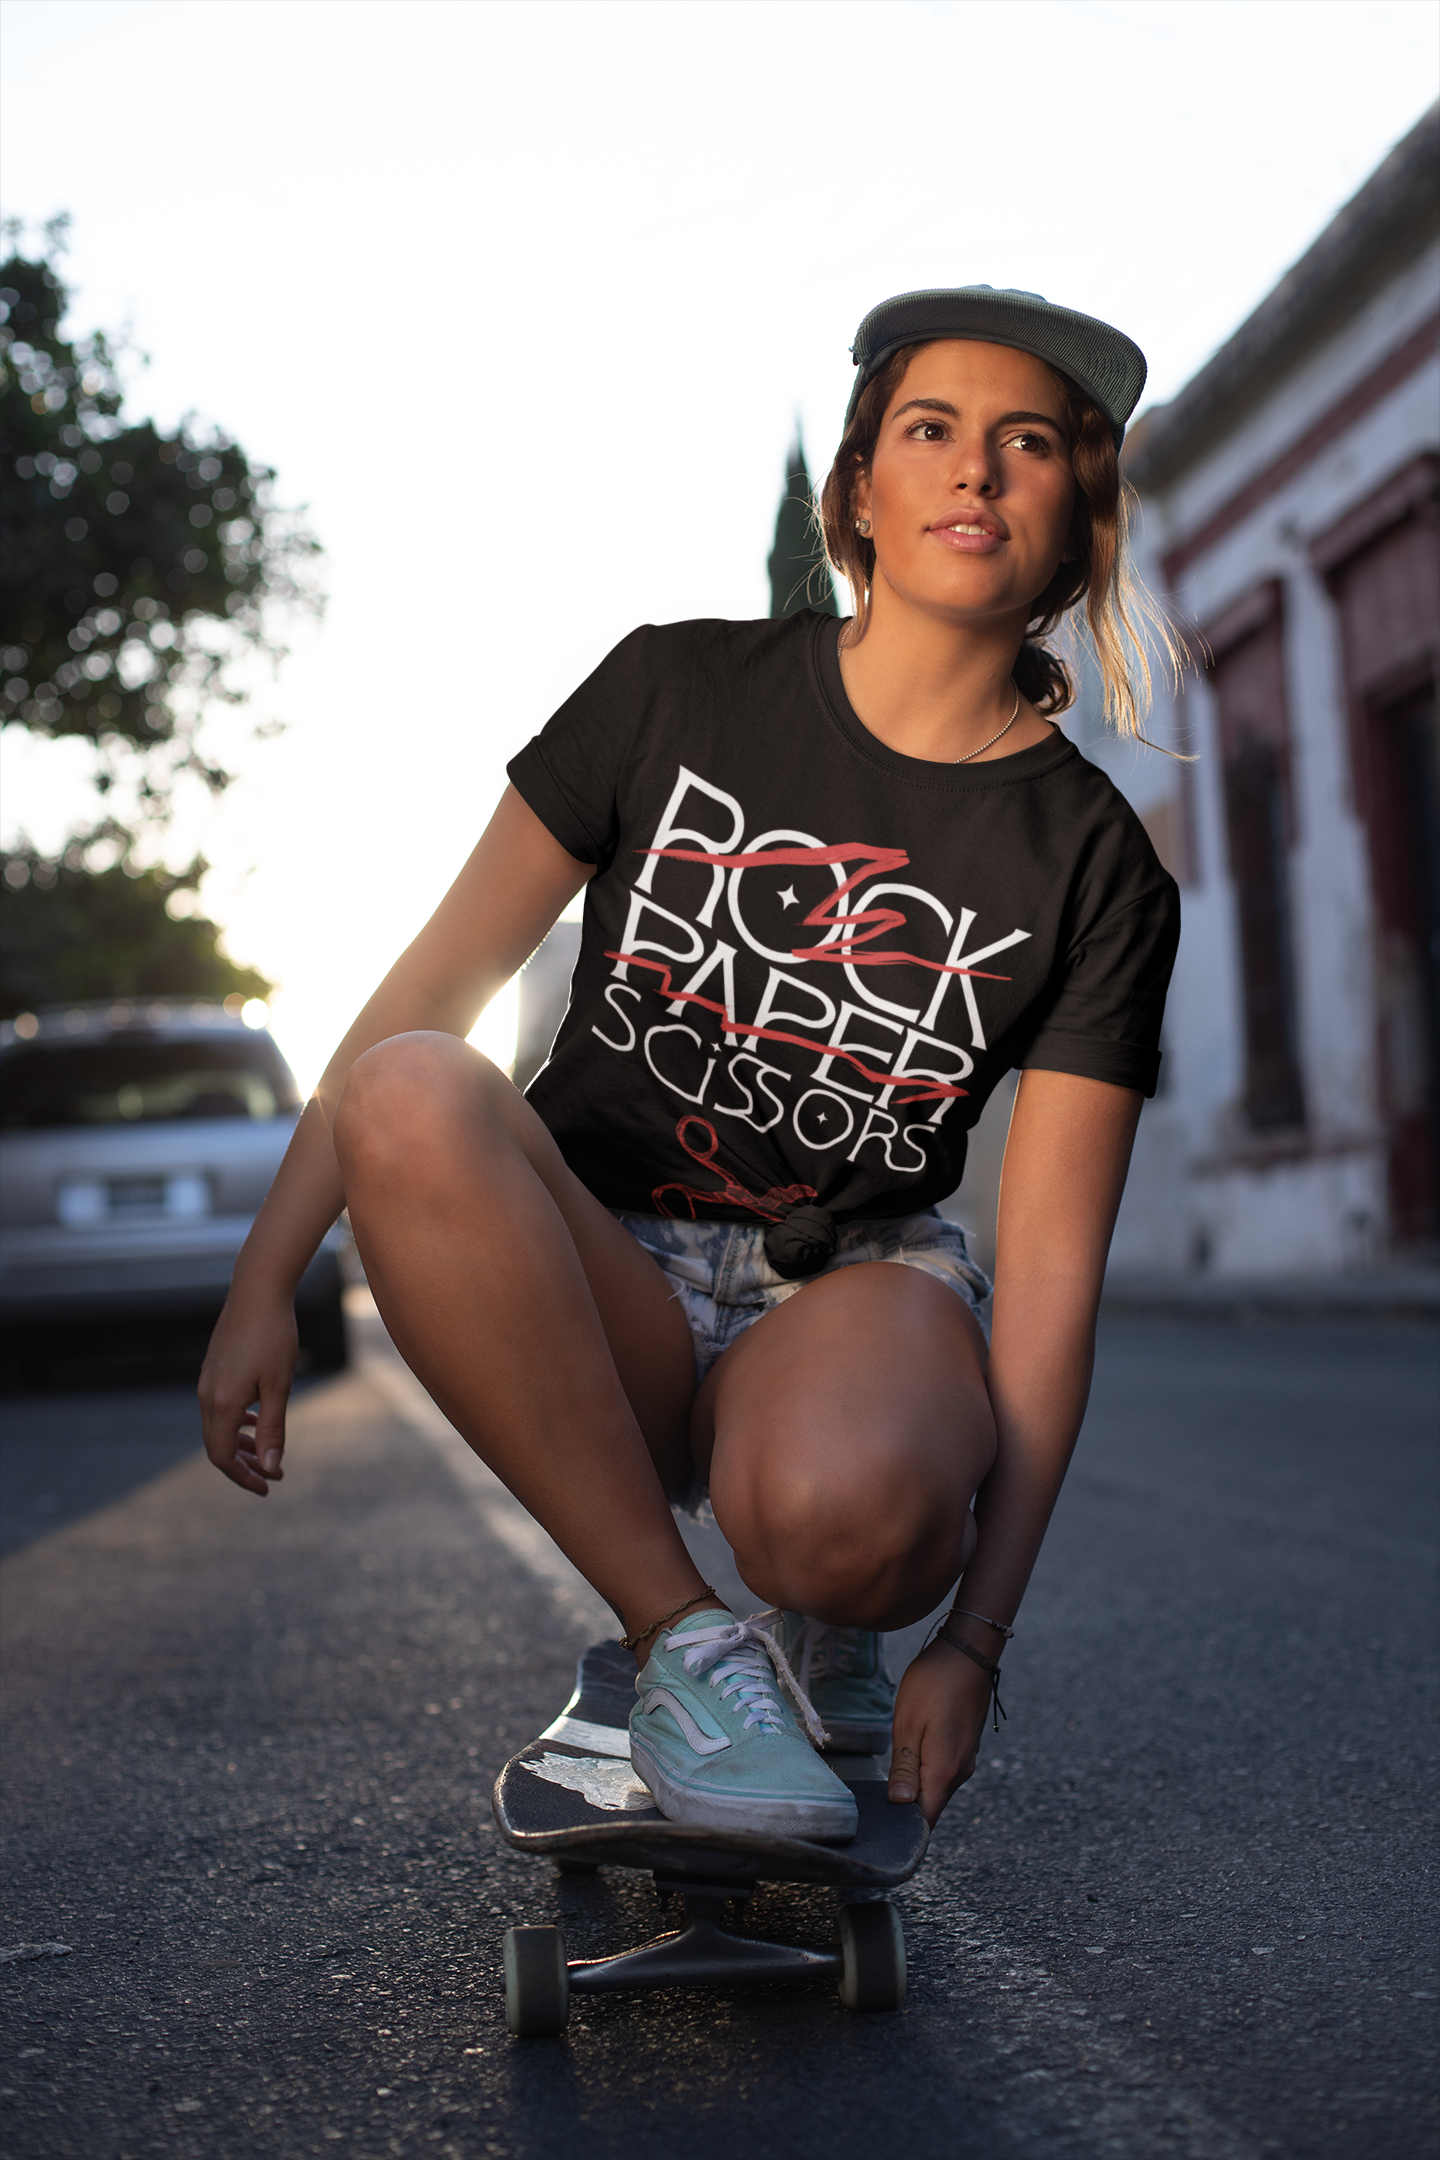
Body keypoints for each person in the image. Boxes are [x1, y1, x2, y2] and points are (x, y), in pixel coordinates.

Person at [198, 286, 1180, 1839]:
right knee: (410, 1081)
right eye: (931, 429)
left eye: (1030, 444)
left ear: (1078, 514)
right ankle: (684, 1646)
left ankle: (829, 1619)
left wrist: (973, 1640)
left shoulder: (1096, 865)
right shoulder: (674, 689)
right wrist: (269, 1276)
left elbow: (1054, 1279)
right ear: (860, 489)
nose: (976, 470)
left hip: (852, 1287)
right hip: (605, 1280)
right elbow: (430, 985)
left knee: (855, 1518)